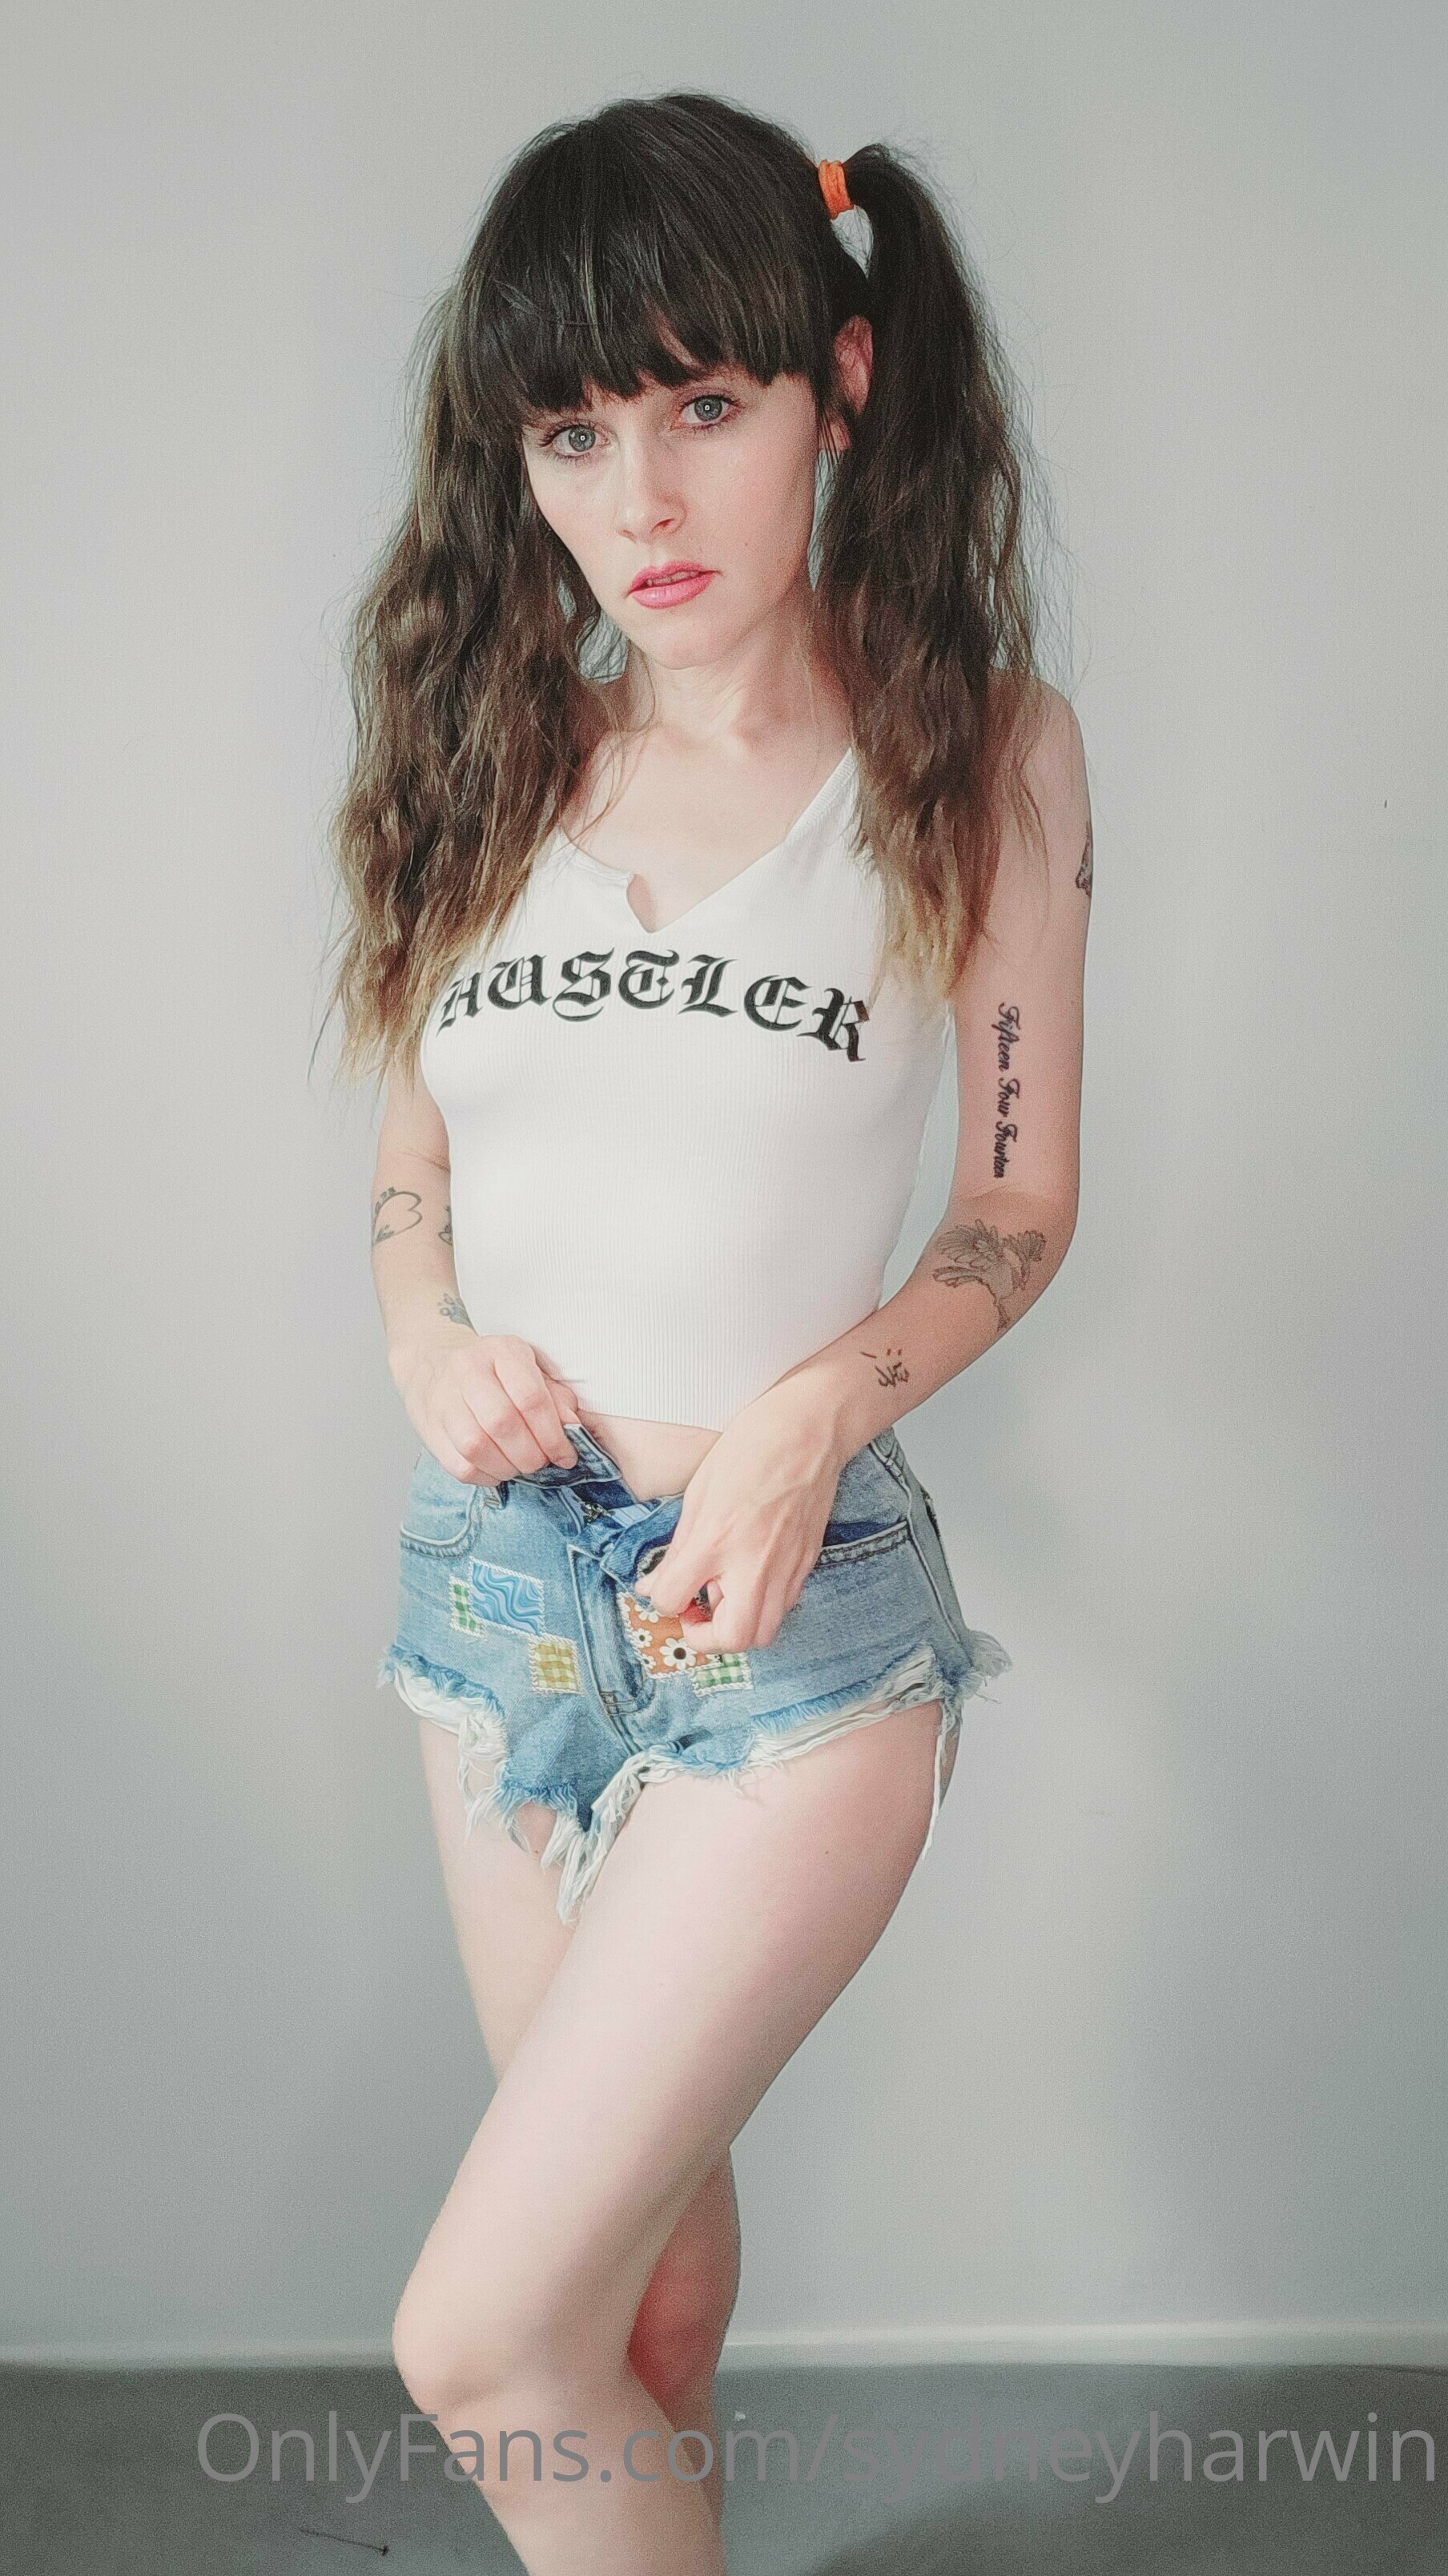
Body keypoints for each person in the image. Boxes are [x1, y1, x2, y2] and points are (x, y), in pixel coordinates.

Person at [323, 89, 1091, 2576]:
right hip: (499, 1600)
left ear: (838, 388)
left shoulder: (977, 758)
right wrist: (424, 1329)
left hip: (791, 1622)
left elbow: (1016, 1206)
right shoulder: (490, 747)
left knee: (482, 2339)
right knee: (637, 2310)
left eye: (701, 405)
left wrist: (803, 1423)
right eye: (572, 432)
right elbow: (420, 1153)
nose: (638, 497)